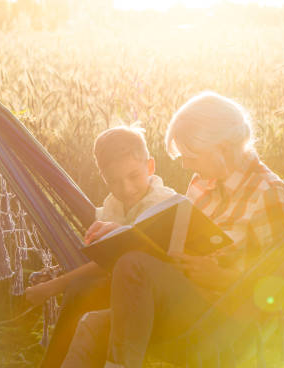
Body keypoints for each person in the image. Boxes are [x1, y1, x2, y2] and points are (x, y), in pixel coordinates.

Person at [61, 92, 284, 368]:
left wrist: (223, 277)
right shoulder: (200, 184)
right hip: (180, 302)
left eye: (190, 156)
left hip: (224, 317)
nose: (184, 165)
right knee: (92, 323)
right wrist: (123, 234)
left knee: (133, 265)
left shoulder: (268, 193)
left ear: (221, 148)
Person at [25, 125, 176, 368]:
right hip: (121, 289)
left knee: (84, 290)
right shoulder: (111, 206)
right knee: (86, 297)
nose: (126, 189)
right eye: (114, 181)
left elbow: (108, 264)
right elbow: (105, 260)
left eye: (134, 176)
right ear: (103, 178)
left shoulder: (163, 203)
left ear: (150, 166)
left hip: (156, 299)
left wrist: (52, 287)